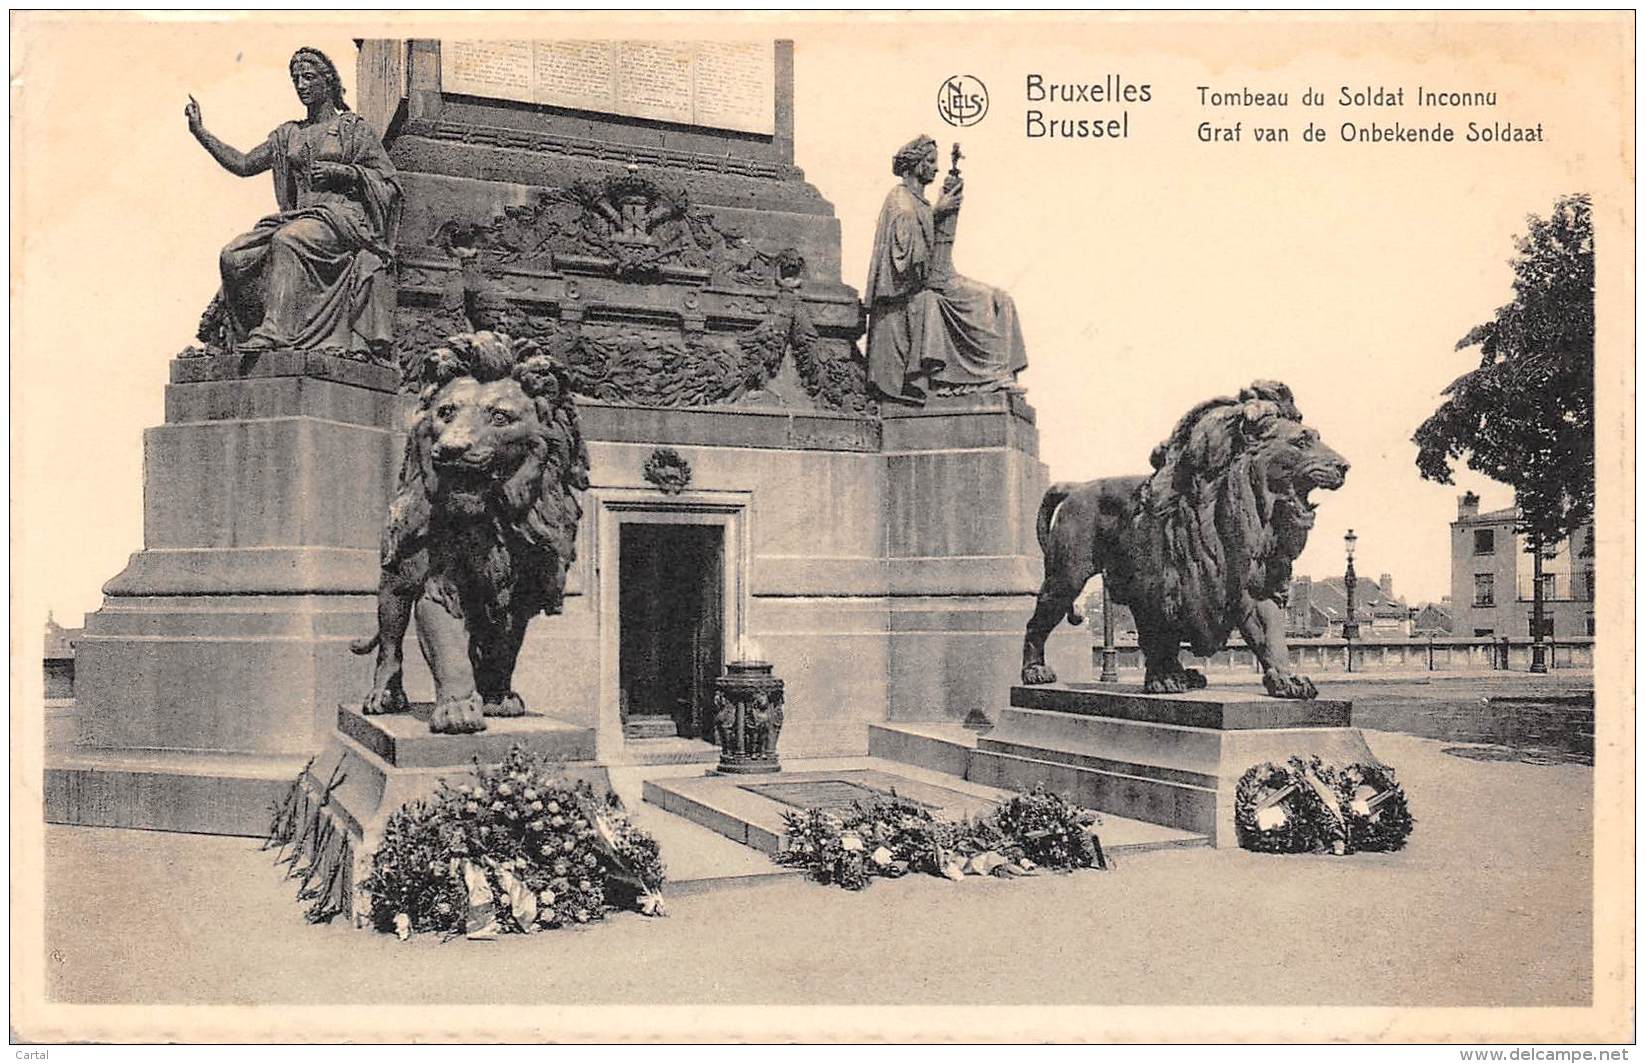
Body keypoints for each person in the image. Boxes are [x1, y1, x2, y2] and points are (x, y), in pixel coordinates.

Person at [186, 48, 403, 359]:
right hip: (299, 217)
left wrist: (345, 173)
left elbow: (389, 184)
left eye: (308, 77)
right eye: (296, 79)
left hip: (341, 220)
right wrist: (200, 133)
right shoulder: (288, 134)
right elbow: (244, 163)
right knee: (234, 254)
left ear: (328, 82)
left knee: (288, 240)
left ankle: (276, 330)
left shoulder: (353, 129)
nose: (301, 85)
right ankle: (247, 336)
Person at [863, 135, 1028, 403]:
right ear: (914, 165)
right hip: (911, 293)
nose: (935, 168)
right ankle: (985, 377)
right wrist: (937, 212)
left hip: (936, 281)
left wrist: (944, 211)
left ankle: (999, 375)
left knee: (1002, 299)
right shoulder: (900, 200)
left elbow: (935, 252)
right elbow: (906, 263)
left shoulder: (919, 201)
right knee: (982, 303)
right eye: (929, 162)